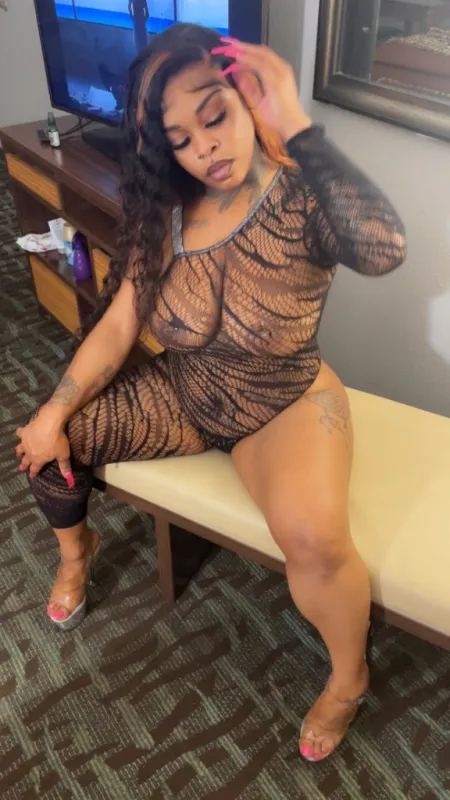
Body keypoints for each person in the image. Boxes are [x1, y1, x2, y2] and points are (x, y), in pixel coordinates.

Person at [15, 23, 406, 761]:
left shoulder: (301, 191)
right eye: (180, 139)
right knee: (48, 448)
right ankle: (76, 552)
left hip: (282, 401)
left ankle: (350, 677)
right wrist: (55, 409)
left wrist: (299, 124)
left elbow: (382, 249)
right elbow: (123, 320)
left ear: (246, 95)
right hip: (188, 391)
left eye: (215, 115)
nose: (206, 148)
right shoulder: (166, 210)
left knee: (316, 542)